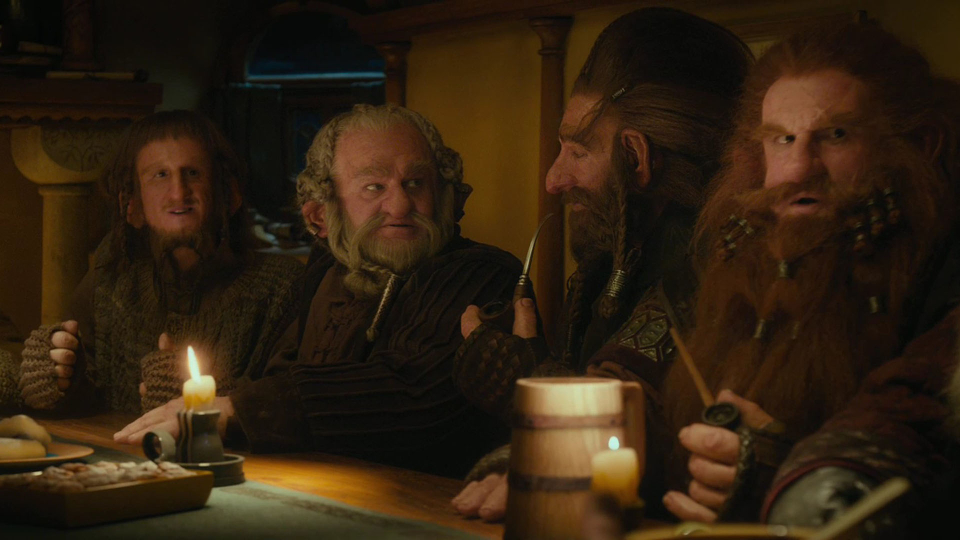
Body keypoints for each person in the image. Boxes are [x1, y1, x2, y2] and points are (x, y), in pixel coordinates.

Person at [658, 21, 960, 534]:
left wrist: (783, 474)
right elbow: (639, 371)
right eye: (782, 139)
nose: (798, 169)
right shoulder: (729, 249)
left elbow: (913, 418)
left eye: (836, 136)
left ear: (919, 143)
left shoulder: (944, 264)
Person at [452, 7, 753, 521]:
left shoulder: (712, 260)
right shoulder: (622, 248)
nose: (553, 180)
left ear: (636, 156)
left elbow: (639, 406)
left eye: (577, 150)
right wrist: (539, 365)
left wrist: (524, 386)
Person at [115, 104, 522, 478]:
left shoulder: (483, 276)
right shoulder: (328, 271)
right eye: (374, 187)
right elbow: (282, 374)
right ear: (320, 215)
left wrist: (234, 410)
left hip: (433, 511)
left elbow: (412, 394)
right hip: (317, 492)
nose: (400, 205)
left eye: (415, 182)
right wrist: (202, 399)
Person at [18, 110, 303, 416]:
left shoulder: (283, 288)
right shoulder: (111, 279)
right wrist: (57, 377)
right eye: (160, 175)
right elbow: (85, 396)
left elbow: (299, 403)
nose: (179, 193)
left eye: (192, 173)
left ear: (228, 194)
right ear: (132, 206)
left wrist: (204, 399)